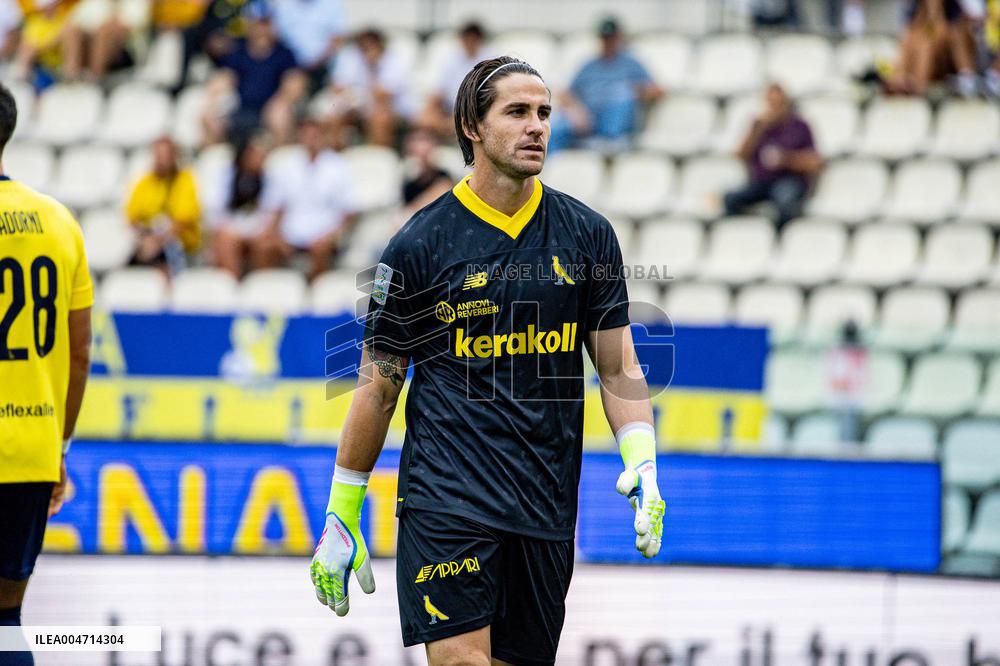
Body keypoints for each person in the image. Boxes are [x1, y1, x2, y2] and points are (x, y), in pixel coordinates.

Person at [309, 57, 666, 665]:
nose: (538, 128)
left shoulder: (588, 236)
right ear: (473, 125)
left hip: (546, 504)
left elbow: (617, 367)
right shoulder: (420, 244)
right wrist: (344, 508)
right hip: (447, 497)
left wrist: (643, 460)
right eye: (518, 112)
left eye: (545, 114)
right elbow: (377, 387)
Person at [0, 82, 93, 666]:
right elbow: (79, 353)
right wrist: (58, 444)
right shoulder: (58, 222)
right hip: (31, 445)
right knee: (8, 619)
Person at [256, 117, 357, 279]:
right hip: (290, 232)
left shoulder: (338, 165)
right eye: (306, 134)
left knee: (321, 249)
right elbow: (276, 207)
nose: (310, 139)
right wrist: (276, 235)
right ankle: (267, 293)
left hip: (323, 233)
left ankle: (316, 295)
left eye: (314, 134)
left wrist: (331, 236)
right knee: (263, 246)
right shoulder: (286, 164)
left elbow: (348, 211)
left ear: (323, 136)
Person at [549, 17, 662, 152]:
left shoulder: (631, 63)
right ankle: (545, 167)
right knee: (554, 127)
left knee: (622, 94)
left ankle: (610, 142)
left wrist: (637, 91)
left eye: (611, 37)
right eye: (605, 37)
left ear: (619, 37)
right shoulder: (589, 64)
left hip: (615, 121)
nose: (608, 42)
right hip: (588, 118)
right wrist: (576, 110)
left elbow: (657, 90)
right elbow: (565, 93)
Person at [201, 1, 306, 145]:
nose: (261, 29)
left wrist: (281, 101)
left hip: (269, 110)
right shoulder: (238, 49)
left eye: (265, 23)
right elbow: (226, 76)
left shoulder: (283, 52)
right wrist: (215, 97)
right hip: (240, 108)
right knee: (210, 115)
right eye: (257, 23)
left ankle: (277, 157)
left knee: (281, 115)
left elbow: (295, 81)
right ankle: (215, 158)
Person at [723, 83, 822, 228]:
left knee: (784, 201)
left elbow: (815, 163)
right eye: (771, 103)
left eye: (778, 103)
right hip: (761, 183)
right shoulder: (758, 126)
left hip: (789, 181)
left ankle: (779, 241)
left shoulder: (799, 127)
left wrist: (786, 159)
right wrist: (758, 129)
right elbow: (740, 155)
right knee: (730, 198)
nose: (774, 108)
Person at [324, 27, 415, 147]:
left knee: (379, 117)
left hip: (391, 108)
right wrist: (352, 99)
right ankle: (337, 156)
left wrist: (372, 68)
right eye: (363, 47)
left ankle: (378, 157)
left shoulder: (394, 61)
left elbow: (383, 96)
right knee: (334, 116)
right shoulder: (352, 57)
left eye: (370, 46)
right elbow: (337, 87)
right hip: (358, 105)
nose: (367, 51)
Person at [125, 136, 201, 272]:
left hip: (179, 244)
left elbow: (184, 220)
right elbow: (132, 217)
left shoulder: (185, 180)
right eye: (158, 155)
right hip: (148, 239)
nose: (161, 160)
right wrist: (146, 237)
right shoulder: (143, 182)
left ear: (174, 157)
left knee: (162, 256)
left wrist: (158, 240)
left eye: (165, 155)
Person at [205, 133, 272, 278]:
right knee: (225, 240)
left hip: (258, 228)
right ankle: (232, 285)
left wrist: (255, 229)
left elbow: (271, 210)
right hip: (233, 226)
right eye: (254, 153)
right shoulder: (228, 176)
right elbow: (217, 209)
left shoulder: (268, 177)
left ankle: (260, 284)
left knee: (264, 244)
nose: (259, 158)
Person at [886, 0, 978, 96]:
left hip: (947, 59)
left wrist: (934, 8)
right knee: (910, 38)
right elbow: (916, 28)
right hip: (933, 46)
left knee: (926, 45)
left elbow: (940, 29)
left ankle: (917, 86)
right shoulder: (916, 7)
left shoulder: (955, 9)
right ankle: (899, 78)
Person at [417, 21, 491, 138]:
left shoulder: (490, 60)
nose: (470, 43)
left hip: (478, 110)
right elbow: (439, 92)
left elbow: (487, 97)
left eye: (473, 40)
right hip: (451, 110)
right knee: (426, 119)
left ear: (479, 40)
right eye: (467, 39)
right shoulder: (451, 59)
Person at [271, 0, 347, 91]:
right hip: (291, 69)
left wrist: (316, 63)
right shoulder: (284, 5)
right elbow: (276, 38)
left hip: (325, 69)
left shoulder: (332, 4)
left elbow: (337, 39)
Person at [400, 128, 453, 219]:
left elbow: (446, 191)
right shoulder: (407, 182)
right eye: (415, 141)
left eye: (425, 141)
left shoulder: (443, 174)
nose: (421, 147)